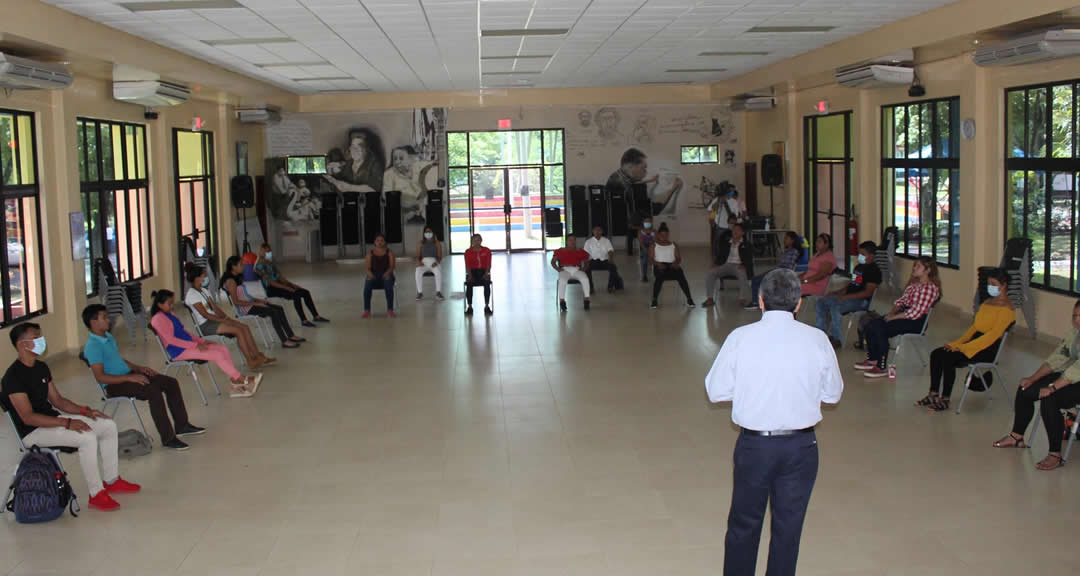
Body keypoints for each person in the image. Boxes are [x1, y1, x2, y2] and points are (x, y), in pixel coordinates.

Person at [705, 269, 843, 576]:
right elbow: (833, 395)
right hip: (802, 447)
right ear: (798, 304)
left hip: (755, 445)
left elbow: (715, 391)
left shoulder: (740, 338)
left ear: (761, 300)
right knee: (788, 527)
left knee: (744, 524)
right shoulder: (817, 339)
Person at [2, 322, 142, 511]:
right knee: (87, 436)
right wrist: (67, 422)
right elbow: (28, 417)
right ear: (21, 344)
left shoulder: (41, 367)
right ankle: (96, 494)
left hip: (52, 421)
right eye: (35, 337)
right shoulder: (13, 377)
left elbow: (58, 400)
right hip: (32, 432)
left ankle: (112, 480)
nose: (41, 340)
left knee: (107, 425)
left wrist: (85, 411)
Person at [81, 304, 204, 452]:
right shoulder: (93, 346)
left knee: (170, 382)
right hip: (114, 384)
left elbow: (118, 360)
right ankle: (168, 438)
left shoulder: (107, 336)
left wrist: (139, 368)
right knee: (153, 392)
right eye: (104, 317)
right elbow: (100, 377)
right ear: (93, 322)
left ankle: (182, 425)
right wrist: (130, 378)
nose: (109, 320)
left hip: (127, 376)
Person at [993, 299, 1080, 470]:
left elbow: (1076, 370)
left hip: (1075, 379)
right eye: (1075, 316)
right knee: (1025, 388)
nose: (1077, 320)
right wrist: (1033, 378)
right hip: (1069, 377)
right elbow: (1056, 359)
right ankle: (1016, 436)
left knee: (1050, 399)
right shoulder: (1074, 333)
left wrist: (1052, 387)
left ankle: (1055, 454)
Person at [917, 268, 1015, 413]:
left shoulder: (1008, 310)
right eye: (989, 284)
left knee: (949, 358)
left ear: (1004, 285)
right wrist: (956, 344)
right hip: (974, 343)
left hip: (987, 348)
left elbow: (992, 336)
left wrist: (964, 348)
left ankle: (945, 399)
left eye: (993, 284)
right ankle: (933, 394)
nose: (990, 288)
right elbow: (974, 328)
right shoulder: (987, 302)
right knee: (937, 354)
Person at [148, 291, 260, 397]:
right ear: (160, 305)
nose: (172, 306)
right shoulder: (157, 319)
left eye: (172, 303)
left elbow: (184, 332)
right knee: (217, 355)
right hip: (179, 351)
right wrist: (195, 345)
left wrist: (201, 341)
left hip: (188, 345)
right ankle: (240, 378)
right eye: (169, 304)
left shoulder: (170, 314)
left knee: (222, 349)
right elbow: (171, 340)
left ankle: (235, 383)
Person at [856, 257, 941, 378]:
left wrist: (894, 318)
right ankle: (873, 359)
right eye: (914, 265)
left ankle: (881, 366)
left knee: (880, 329)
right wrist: (891, 313)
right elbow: (902, 301)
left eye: (918, 266)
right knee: (870, 324)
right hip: (904, 315)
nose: (914, 268)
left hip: (916, 321)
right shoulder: (914, 284)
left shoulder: (930, 288)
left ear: (927, 270)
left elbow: (916, 312)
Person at [185, 263, 275, 369]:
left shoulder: (204, 290)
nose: (205, 278)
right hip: (206, 325)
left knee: (244, 327)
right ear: (197, 278)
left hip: (215, 320)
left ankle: (257, 356)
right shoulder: (191, 295)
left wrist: (227, 318)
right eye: (203, 276)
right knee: (238, 330)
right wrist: (225, 321)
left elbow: (215, 308)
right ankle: (250, 360)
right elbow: (206, 315)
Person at [606, 148, 682, 254]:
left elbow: (633, 185)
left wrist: (650, 181)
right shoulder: (618, 182)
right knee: (653, 211)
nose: (645, 172)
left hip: (631, 216)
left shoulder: (622, 177)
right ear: (630, 167)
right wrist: (673, 188)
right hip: (628, 219)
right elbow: (656, 208)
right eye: (643, 168)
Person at [221, 256, 304, 349]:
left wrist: (259, 300)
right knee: (274, 312)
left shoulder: (237, 278)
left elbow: (245, 295)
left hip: (250, 304)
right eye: (241, 264)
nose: (243, 266)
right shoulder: (231, 281)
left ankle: (290, 335)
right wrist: (256, 304)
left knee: (279, 308)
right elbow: (236, 302)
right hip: (245, 309)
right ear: (233, 267)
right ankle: (284, 341)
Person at [814, 241, 880, 346]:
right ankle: (820, 333)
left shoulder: (874, 271)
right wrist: (837, 292)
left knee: (836, 306)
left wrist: (846, 297)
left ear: (871, 256)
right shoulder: (859, 268)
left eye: (863, 254)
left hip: (862, 301)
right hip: (849, 297)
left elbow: (868, 293)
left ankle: (836, 338)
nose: (860, 256)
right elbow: (853, 285)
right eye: (860, 253)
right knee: (821, 302)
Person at [255, 243, 329, 327]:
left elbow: (281, 278)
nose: (269, 253)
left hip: (279, 286)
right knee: (296, 295)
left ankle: (316, 316)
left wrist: (292, 285)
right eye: (267, 252)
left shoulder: (270, 263)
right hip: (271, 289)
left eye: (270, 251)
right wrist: (287, 288)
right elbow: (271, 283)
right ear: (261, 252)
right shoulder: (259, 266)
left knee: (305, 292)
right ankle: (304, 320)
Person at [702, 222, 753, 308]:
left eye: (738, 230)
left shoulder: (747, 244)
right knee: (710, 273)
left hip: (738, 265)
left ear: (742, 233)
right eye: (734, 230)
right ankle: (710, 298)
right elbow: (720, 255)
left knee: (742, 273)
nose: (735, 232)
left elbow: (749, 258)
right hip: (726, 264)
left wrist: (744, 264)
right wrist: (716, 264)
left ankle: (742, 299)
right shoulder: (726, 242)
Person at [748, 231, 802, 308]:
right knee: (756, 278)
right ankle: (758, 301)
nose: (784, 240)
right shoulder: (787, 251)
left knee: (756, 280)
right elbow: (780, 265)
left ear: (792, 240)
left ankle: (755, 302)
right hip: (777, 272)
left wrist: (773, 273)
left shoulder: (794, 252)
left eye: (786, 238)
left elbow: (788, 267)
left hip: (782, 275)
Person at [649, 223, 694, 309]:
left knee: (681, 276)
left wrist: (676, 263)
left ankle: (689, 299)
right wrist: (657, 264)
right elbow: (650, 260)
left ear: (668, 234)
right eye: (662, 234)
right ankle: (654, 300)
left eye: (666, 235)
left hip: (672, 265)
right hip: (659, 265)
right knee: (659, 277)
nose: (664, 236)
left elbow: (678, 258)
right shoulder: (654, 245)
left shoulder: (673, 245)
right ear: (658, 235)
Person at [552, 235, 591, 312]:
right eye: (570, 240)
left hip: (577, 269)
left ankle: (587, 299)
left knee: (585, 279)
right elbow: (553, 261)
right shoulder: (560, 251)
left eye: (574, 240)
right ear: (566, 242)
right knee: (562, 280)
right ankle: (562, 301)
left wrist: (584, 269)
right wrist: (558, 269)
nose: (572, 242)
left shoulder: (580, 251)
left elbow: (587, 261)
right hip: (565, 269)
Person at [364, 233, 397, 318]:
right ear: (374, 242)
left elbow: (392, 266)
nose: (379, 242)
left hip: (386, 274)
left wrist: (388, 273)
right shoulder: (370, 253)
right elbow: (367, 268)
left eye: (382, 240)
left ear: (385, 242)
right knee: (367, 283)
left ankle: (390, 310)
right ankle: (367, 310)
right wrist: (370, 275)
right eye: (377, 240)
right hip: (374, 275)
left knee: (388, 283)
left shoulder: (389, 253)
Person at [583, 226, 623, 293]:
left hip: (605, 260)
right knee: (587, 269)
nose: (597, 232)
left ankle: (610, 286)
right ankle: (590, 287)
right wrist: (586, 262)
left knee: (613, 268)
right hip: (593, 261)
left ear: (602, 232)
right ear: (593, 231)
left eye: (599, 230)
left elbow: (610, 250)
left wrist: (610, 258)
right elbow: (585, 253)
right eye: (596, 230)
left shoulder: (606, 241)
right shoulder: (588, 242)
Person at [464, 233, 493, 316]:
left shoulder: (486, 250)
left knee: (487, 284)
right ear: (472, 241)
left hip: (483, 271)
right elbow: (467, 265)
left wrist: (486, 273)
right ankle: (469, 307)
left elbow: (488, 264)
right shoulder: (468, 252)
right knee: (469, 284)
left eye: (478, 240)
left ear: (481, 241)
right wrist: (470, 275)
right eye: (474, 240)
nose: (476, 242)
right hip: (472, 272)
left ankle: (487, 306)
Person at [415, 226, 444, 301]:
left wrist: (436, 262)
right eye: (426, 232)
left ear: (433, 233)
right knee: (418, 271)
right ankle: (420, 292)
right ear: (424, 233)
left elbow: (440, 256)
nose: (428, 233)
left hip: (434, 261)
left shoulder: (437, 243)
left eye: (429, 231)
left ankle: (438, 292)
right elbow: (418, 255)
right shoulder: (420, 243)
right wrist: (419, 262)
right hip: (424, 262)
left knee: (438, 271)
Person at [638, 216, 655, 282]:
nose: (647, 223)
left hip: (652, 247)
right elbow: (641, 243)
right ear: (643, 222)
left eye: (649, 221)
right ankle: (644, 276)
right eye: (646, 221)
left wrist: (651, 250)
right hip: (644, 248)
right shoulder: (640, 231)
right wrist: (646, 250)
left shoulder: (654, 231)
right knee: (644, 260)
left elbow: (655, 241)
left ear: (651, 223)